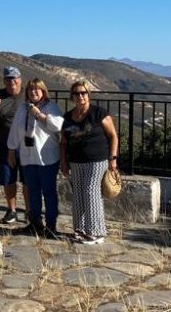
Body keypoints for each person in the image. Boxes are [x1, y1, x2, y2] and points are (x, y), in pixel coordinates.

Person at [61, 81, 119, 245]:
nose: (80, 96)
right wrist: (64, 162)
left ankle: (96, 232)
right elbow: (64, 142)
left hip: (97, 160)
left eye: (83, 93)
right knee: (78, 194)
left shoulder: (99, 113)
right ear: (72, 96)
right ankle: (79, 230)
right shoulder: (67, 117)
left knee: (90, 191)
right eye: (77, 93)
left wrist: (113, 159)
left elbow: (113, 136)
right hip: (76, 161)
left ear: (88, 95)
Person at [7, 78, 64, 237]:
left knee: (49, 192)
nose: (33, 92)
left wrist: (39, 115)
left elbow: (58, 126)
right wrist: (11, 150)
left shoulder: (51, 106)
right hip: (28, 157)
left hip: (47, 158)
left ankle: (51, 226)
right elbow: (15, 131)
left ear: (43, 91)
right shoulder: (22, 108)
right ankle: (35, 223)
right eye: (30, 90)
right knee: (32, 191)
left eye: (36, 89)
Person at [0, 67, 26, 225]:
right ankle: (11, 211)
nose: (12, 81)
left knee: (27, 180)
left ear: (20, 79)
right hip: (5, 144)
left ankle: (30, 212)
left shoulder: (28, 94)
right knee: (8, 179)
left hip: (26, 146)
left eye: (15, 78)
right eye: (8, 79)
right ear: (4, 81)